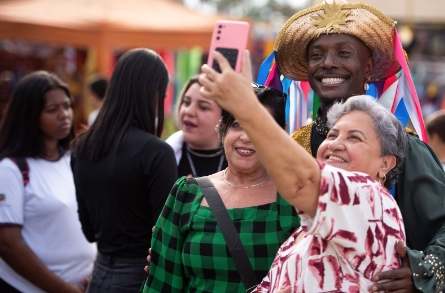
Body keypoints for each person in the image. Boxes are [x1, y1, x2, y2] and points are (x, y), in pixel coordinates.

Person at [269, 0, 445, 291]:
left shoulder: (402, 147)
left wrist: (424, 271)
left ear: (368, 67)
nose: (328, 63)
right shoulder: (293, 145)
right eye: (317, 55)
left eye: (343, 53)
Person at [199, 50, 407, 291]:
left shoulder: (374, 201)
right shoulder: (304, 230)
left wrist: (248, 109)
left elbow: (302, 182)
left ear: (385, 164)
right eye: (332, 134)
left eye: (354, 138)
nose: (335, 144)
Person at [141, 86, 300, 293]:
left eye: (258, 126)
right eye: (237, 125)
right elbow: (161, 284)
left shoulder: (294, 199)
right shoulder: (185, 195)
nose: (246, 137)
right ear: (223, 130)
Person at [71, 48, 178, 293]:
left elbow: (89, 231)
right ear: (153, 94)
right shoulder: (156, 152)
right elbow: (166, 234)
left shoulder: (81, 147)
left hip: (98, 275)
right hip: (141, 276)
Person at [0, 71, 96, 293]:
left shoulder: (72, 161)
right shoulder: (11, 170)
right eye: (53, 110)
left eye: (67, 106)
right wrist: (62, 288)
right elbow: (7, 245)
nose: (64, 115)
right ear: (30, 115)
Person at [166, 76, 227, 177]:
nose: (189, 111)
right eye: (186, 102)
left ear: (225, 118)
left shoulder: (242, 163)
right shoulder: (162, 159)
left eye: (203, 107)